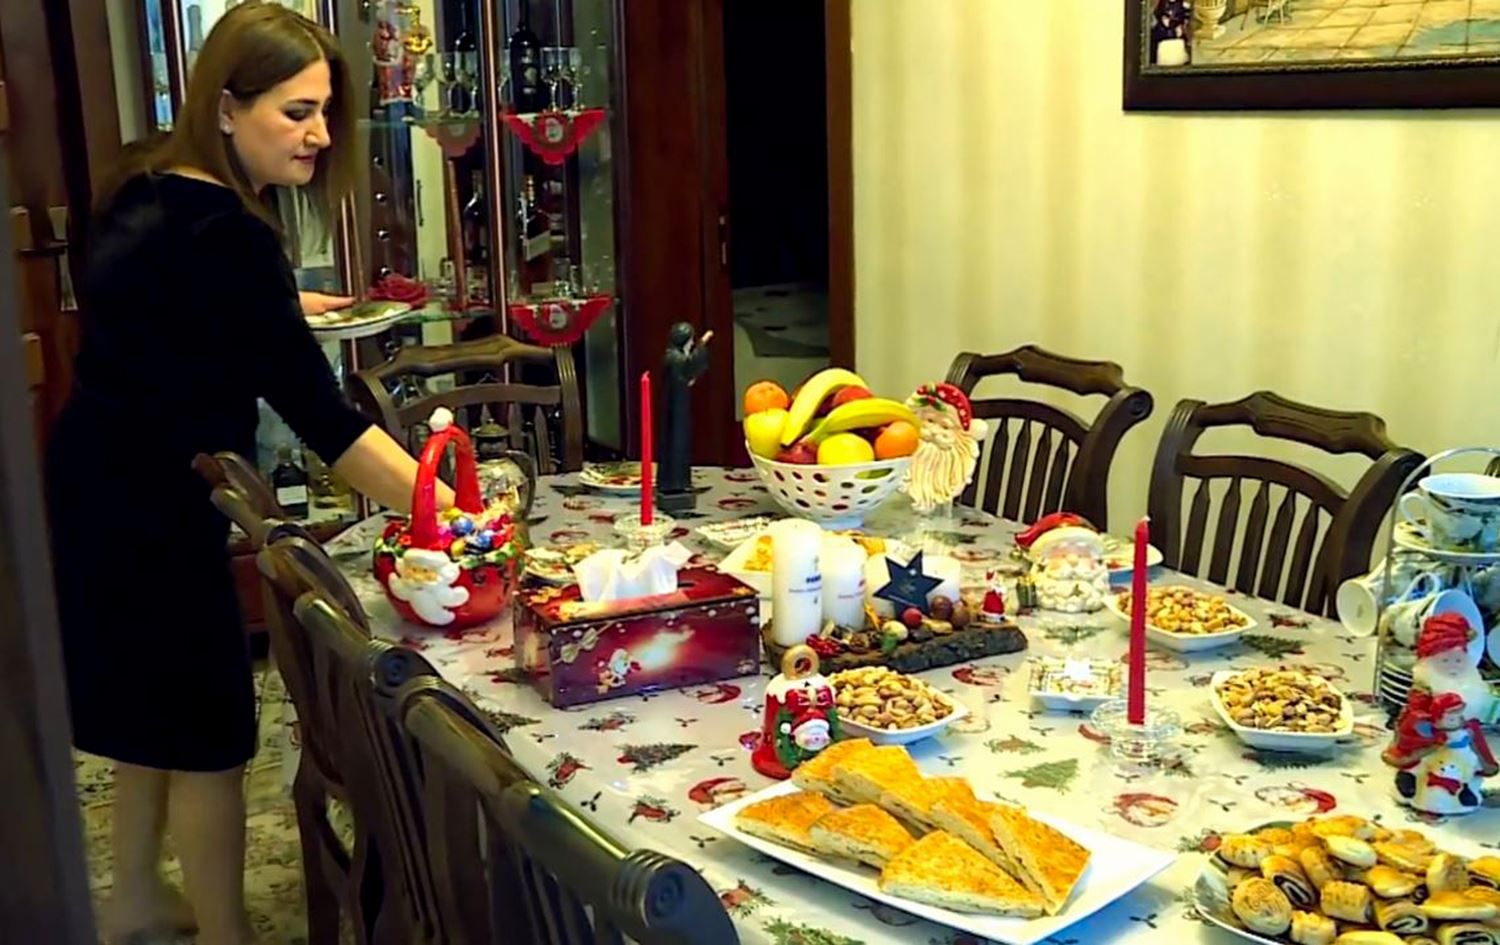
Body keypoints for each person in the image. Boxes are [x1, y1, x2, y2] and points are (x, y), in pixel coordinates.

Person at [44, 6, 437, 944]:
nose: (320, 134)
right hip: (155, 510)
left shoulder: (143, 180)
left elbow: (167, 299)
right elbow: (327, 424)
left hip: (90, 483)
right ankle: (226, 933)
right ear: (227, 108)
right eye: (296, 112)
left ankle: (133, 898)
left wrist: (279, 306)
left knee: (145, 718)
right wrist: (444, 507)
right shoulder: (231, 236)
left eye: (326, 111)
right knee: (210, 736)